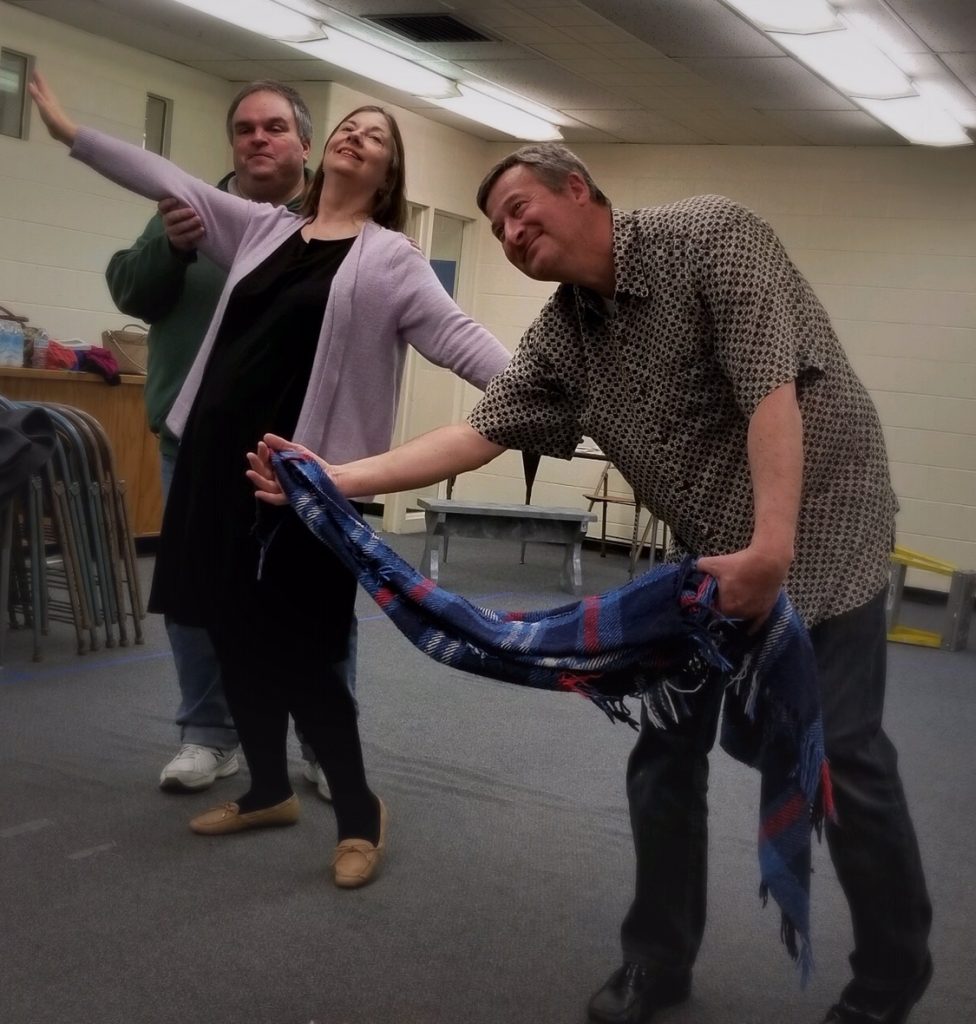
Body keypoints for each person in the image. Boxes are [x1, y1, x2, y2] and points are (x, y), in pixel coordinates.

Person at [249, 143, 933, 1019]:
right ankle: (656, 960)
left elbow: (772, 389)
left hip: (823, 520)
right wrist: (338, 477)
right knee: (665, 753)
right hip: (708, 552)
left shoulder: (713, 237)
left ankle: (890, 976)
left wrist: (773, 550)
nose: (510, 230)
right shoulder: (566, 333)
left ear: (580, 187)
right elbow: (481, 430)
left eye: (521, 206)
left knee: (839, 752)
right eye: (497, 227)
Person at [29, 69, 510, 888]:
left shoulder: (392, 258)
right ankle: (264, 789)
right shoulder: (259, 229)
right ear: (326, 153)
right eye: (349, 128)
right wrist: (72, 131)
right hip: (217, 464)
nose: (359, 136)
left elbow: (466, 344)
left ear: (388, 175)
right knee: (229, 630)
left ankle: (359, 812)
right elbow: (167, 182)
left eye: (378, 137)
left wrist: (549, 395)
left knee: (302, 654)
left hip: (304, 487)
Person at [104, 81, 343, 798]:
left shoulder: (337, 223)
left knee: (312, 596)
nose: (258, 139)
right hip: (194, 437)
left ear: (305, 144)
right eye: (245, 129)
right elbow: (130, 291)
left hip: (302, 446)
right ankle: (209, 736)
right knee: (196, 591)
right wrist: (172, 250)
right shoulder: (188, 207)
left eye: (275, 128)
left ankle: (325, 741)